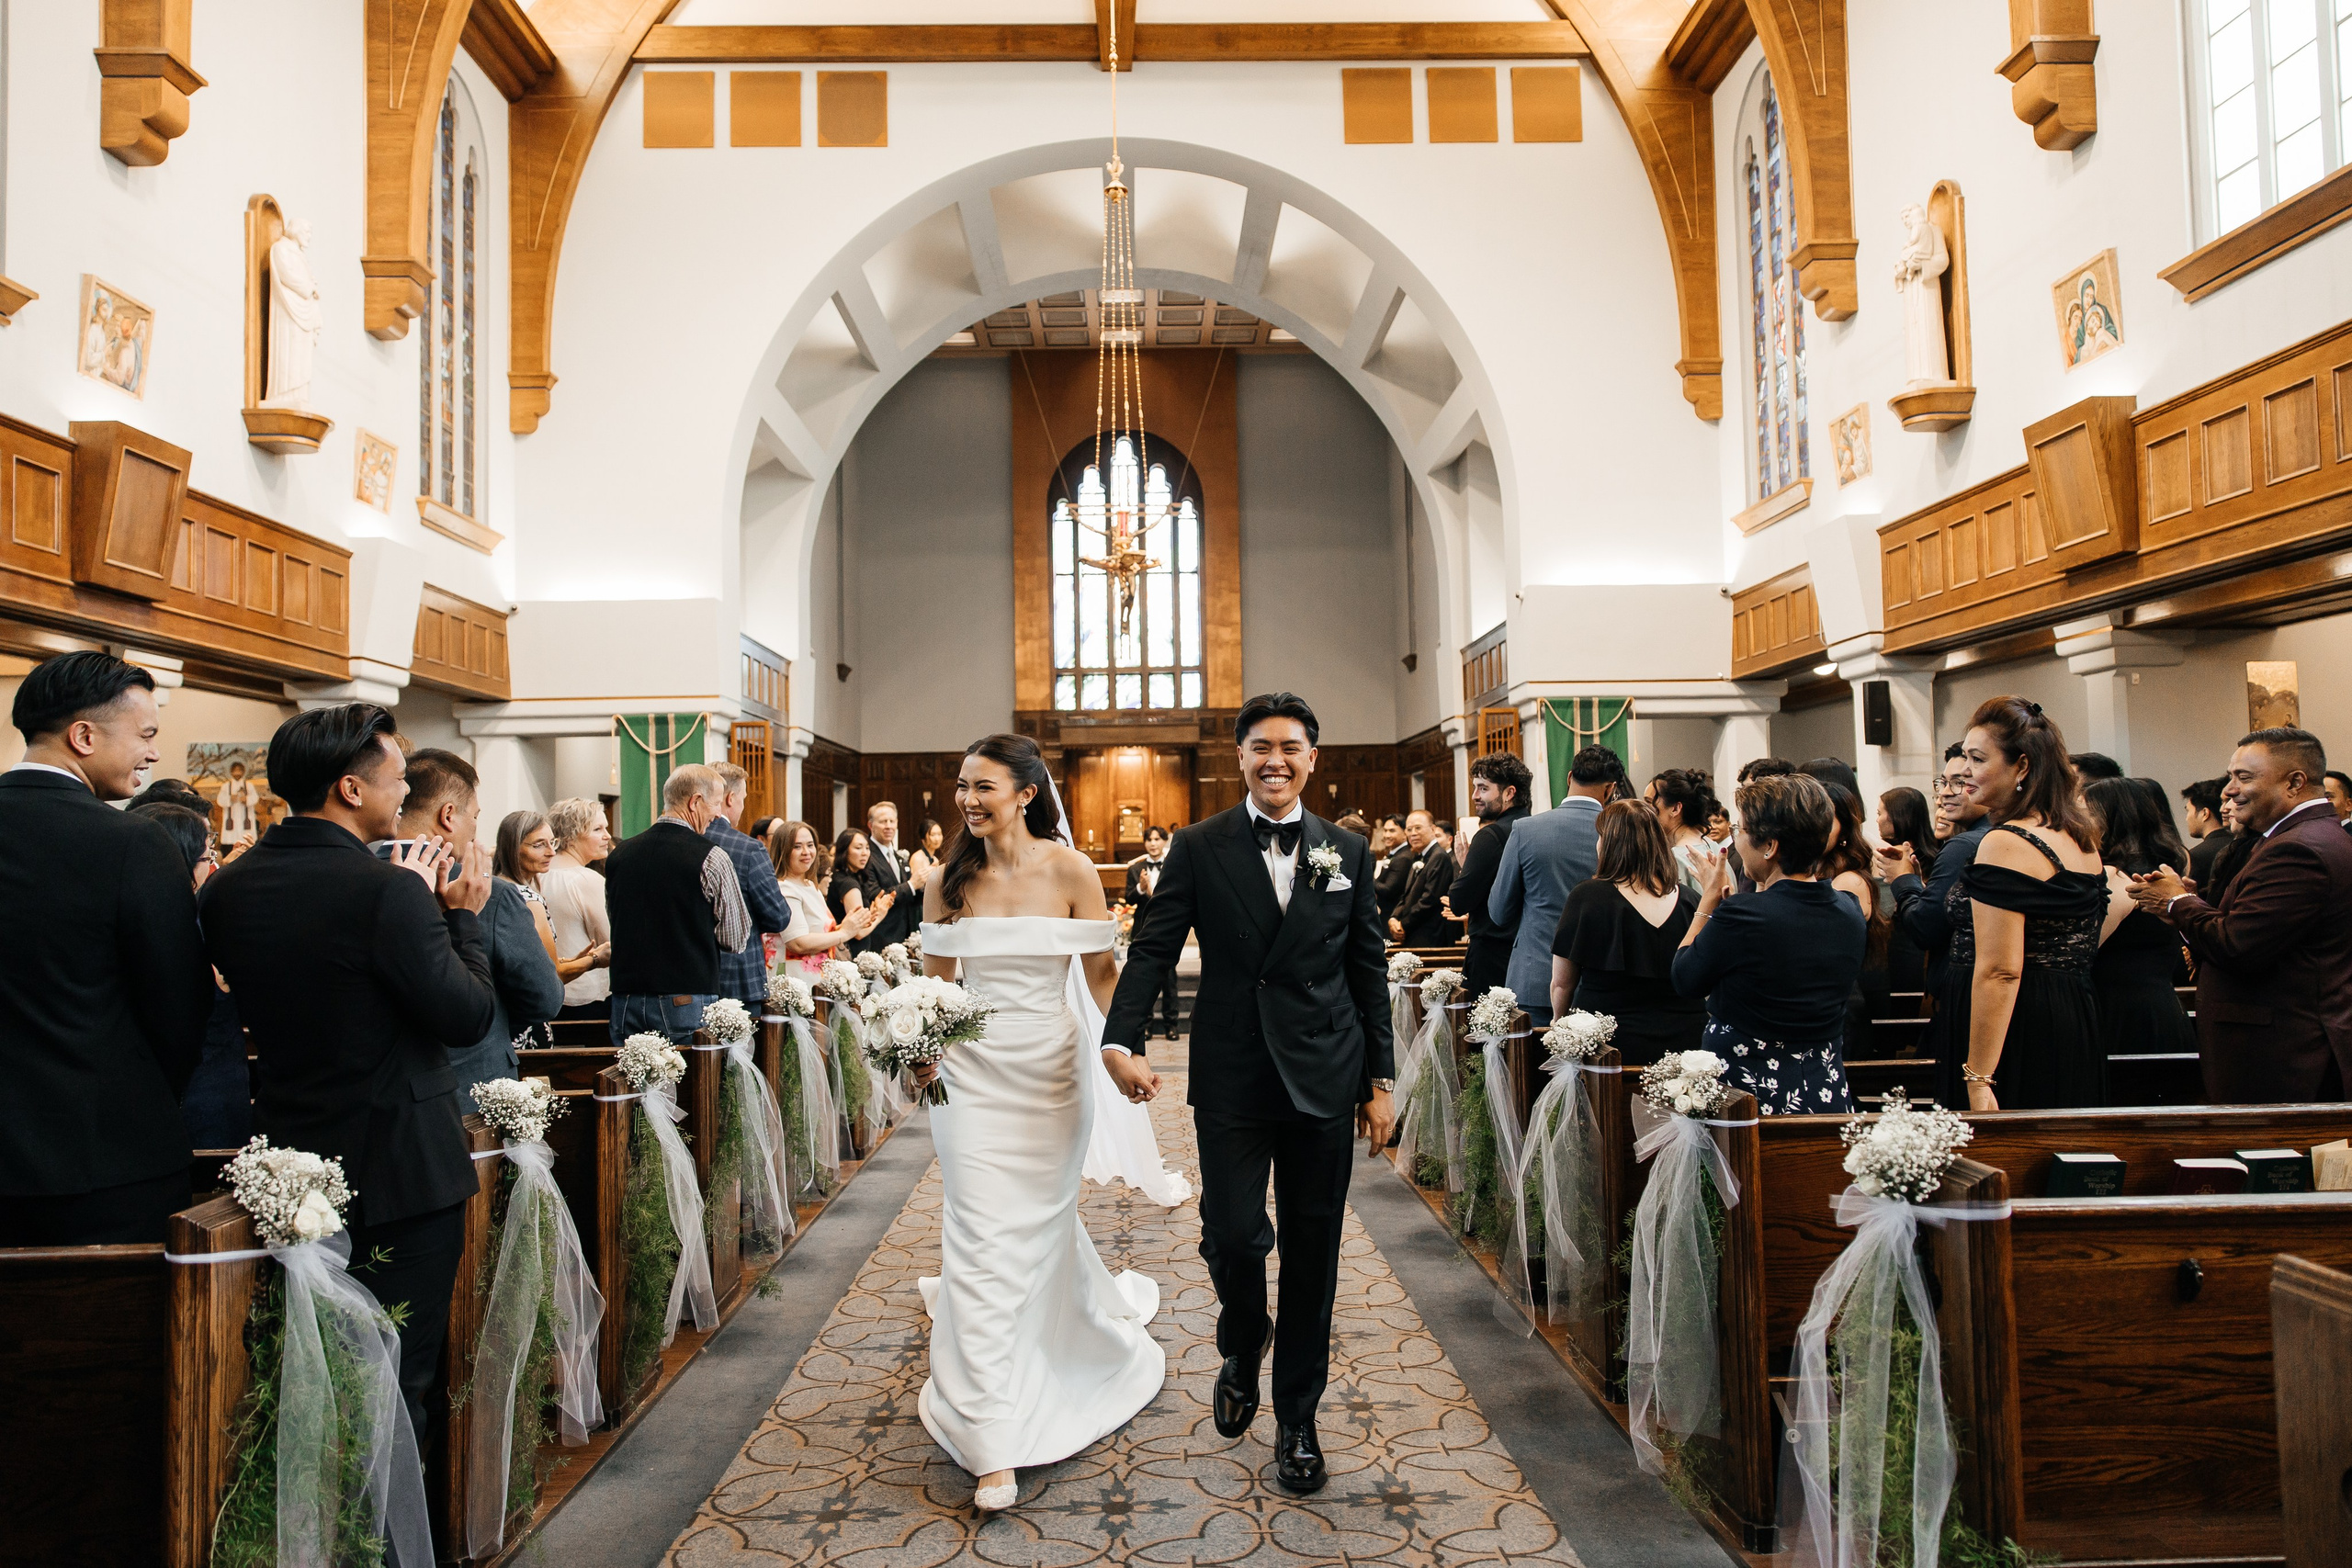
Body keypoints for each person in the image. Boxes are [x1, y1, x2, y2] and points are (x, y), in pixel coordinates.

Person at [1103, 693, 1394, 1497]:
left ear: (1313, 757)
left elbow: (1367, 967)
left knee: (1313, 1251)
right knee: (1232, 1233)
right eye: (1261, 745)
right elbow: (1156, 946)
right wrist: (1119, 1040)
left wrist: (1381, 1079)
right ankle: (1243, 1336)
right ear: (1240, 755)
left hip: (1324, 1074)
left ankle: (1297, 1418)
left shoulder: (1348, 849)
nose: (1276, 759)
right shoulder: (1200, 846)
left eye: (1291, 746)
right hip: (1232, 1068)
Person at [199, 702, 496, 1467]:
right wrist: (457, 920)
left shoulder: (228, 890)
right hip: (402, 1169)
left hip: (293, 1162)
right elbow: (464, 1015)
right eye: (398, 780)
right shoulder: (389, 891)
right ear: (351, 789)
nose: (407, 795)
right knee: (400, 1378)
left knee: (309, 1375)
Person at [915, 732, 1181, 1513]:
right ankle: (991, 1437)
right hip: (971, 1076)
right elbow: (936, 990)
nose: (968, 799)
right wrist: (919, 1052)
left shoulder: (1070, 871)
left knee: (1034, 1226)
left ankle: (1052, 1343)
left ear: (1027, 793)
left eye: (984, 786)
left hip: (1053, 1074)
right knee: (978, 1231)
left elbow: (1101, 974)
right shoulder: (947, 881)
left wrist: (1122, 1048)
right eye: (962, 785)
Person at [1, 652, 213, 1245]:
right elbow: (179, 1007)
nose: (152, 754)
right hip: (107, 1162)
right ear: (84, 735)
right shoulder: (133, 843)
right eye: (146, 735)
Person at [2132, 727, 2352, 1101]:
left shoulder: (2300, 849)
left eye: (2243, 777)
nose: (2228, 790)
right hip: (2284, 1048)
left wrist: (2177, 903)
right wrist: (2186, 908)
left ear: (2294, 782)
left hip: (2286, 1055)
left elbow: (2239, 945)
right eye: (2231, 776)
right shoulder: (2303, 837)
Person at [1672, 773, 1865, 1113]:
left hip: (1752, 1095)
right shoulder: (1848, 908)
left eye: (1740, 831)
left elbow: (1685, 977)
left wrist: (1709, 899)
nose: (1735, 841)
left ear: (1770, 846)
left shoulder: (1744, 915)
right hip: (1823, 1087)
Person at [379, 754, 563, 1106]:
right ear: (448, 816)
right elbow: (544, 998)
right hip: (469, 1090)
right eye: (475, 816)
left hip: (378, 1095)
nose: (476, 827)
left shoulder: (357, 877)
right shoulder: (491, 894)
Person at [1953, 698, 2109, 1111]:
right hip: (2072, 1013)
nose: (1964, 770)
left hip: (2017, 1025)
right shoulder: (2080, 837)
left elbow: (2001, 970)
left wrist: (1979, 1076)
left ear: (2022, 766)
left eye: (1977, 758)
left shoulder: (2006, 842)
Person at [603, 764, 753, 1044]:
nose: (718, 813)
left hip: (626, 998)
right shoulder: (711, 857)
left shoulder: (619, 855)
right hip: (685, 997)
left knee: (630, 1087)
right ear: (695, 802)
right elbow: (735, 939)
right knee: (688, 1087)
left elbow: (616, 919)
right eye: (716, 803)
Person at [130, 799, 251, 1148]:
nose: (212, 865)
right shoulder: (198, 923)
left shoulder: (125, 918)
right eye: (206, 857)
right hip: (206, 1088)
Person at [1550, 801, 1706, 1066]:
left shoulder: (1587, 896)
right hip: (1685, 1047)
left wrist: (1558, 1023)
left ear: (1610, 844)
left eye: (1600, 837)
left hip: (1610, 1049)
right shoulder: (1692, 901)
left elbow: (1562, 983)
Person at [1880, 745, 1989, 1105]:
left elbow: (1927, 926)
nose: (1944, 793)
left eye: (1959, 782)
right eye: (1943, 782)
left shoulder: (1964, 847)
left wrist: (1903, 879)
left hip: (1968, 1003)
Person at [1489, 745, 1619, 1024]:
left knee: (1530, 1066)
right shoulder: (1618, 835)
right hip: (1599, 981)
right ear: (1610, 789)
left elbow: (1498, 912)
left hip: (1535, 976)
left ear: (1569, 777)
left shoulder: (1526, 829)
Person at [2084, 776, 2196, 1093]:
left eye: (2085, 813)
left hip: (2121, 1015)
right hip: (2161, 1007)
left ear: (2109, 818)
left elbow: (2081, 950)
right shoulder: (2169, 865)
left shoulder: (2116, 876)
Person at [708, 762, 796, 1012]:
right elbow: (778, 916)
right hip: (739, 973)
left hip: (688, 980)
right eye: (744, 799)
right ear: (730, 798)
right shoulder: (748, 849)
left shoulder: (683, 842)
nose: (743, 806)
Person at [1447, 752, 1533, 997]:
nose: (1475, 796)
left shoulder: (1490, 836)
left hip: (1490, 955)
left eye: (1483, 789)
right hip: (1526, 953)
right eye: (1475, 788)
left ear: (1509, 793)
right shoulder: (1534, 829)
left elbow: (1459, 902)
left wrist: (1465, 868)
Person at [540, 798, 616, 1025]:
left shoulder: (536, 874)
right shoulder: (587, 879)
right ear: (571, 835)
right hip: (585, 998)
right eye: (598, 829)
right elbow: (609, 942)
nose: (608, 836)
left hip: (549, 994)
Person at [772, 818, 877, 970]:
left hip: (821, 972)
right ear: (783, 850)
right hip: (796, 978)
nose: (806, 852)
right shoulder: (785, 888)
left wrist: (851, 924)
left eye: (810, 845)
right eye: (797, 847)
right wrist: (845, 932)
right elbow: (798, 943)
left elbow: (819, 930)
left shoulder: (809, 885)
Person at [1122, 825, 1183, 1038]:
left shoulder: (1174, 864)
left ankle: (1171, 1025)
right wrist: (1140, 888)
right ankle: (1146, 1025)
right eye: (1149, 839)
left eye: (1157, 839)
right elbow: (1128, 898)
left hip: (1168, 928)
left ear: (1165, 841)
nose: (1153, 843)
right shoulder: (1135, 869)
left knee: (1169, 980)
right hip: (1143, 928)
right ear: (1145, 843)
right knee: (1143, 979)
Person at [1876, 785, 1937, 993]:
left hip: (1907, 947)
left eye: (1879, 813)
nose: (1877, 820)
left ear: (1896, 817)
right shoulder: (1936, 853)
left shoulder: (1897, 855)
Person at [1386, 808, 1455, 947]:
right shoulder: (1418, 856)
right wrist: (1394, 917)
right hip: (1415, 933)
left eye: (1418, 828)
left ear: (1433, 829)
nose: (1413, 834)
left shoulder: (1438, 856)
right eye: (1409, 829)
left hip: (1429, 935)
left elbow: (1429, 900)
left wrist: (1403, 924)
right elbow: (1406, 895)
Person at [1645, 767, 1720, 894]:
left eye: (1648, 803)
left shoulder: (1674, 859)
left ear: (1675, 809)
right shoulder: (1714, 847)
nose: (1643, 810)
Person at [861, 800, 921, 949]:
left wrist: (924, 884)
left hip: (903, 934)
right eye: (883, 822)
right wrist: (911, 885)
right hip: (881, 936)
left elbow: (910, 897)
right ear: (870, 825)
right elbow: (876, 894)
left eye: (892, 821)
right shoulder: (866, 855)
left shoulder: (897, 855)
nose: (888, 826)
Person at [828, 827, 893, 949]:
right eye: (858, 848)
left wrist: (871, 914)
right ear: (844, 851)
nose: (865, 853)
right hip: (850, 952)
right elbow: (857, 932)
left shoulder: (852, 877)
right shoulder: (848, 884)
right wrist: (879, 915)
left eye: (867, 848)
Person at [2180, 776, 2229, 887]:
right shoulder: (2242, 846)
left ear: (2205, 813)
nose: (2187, 818)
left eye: (2188, 811)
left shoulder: (2195, 856)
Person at [1374, 814, 1412, 919]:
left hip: (1393, 913)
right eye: (1385, 831)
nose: (1386, 835)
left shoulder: (1404, 857)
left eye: (1392, 831)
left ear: (1405, 833)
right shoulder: (1394, 854)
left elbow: (1388, 889)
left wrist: (1368, 879)